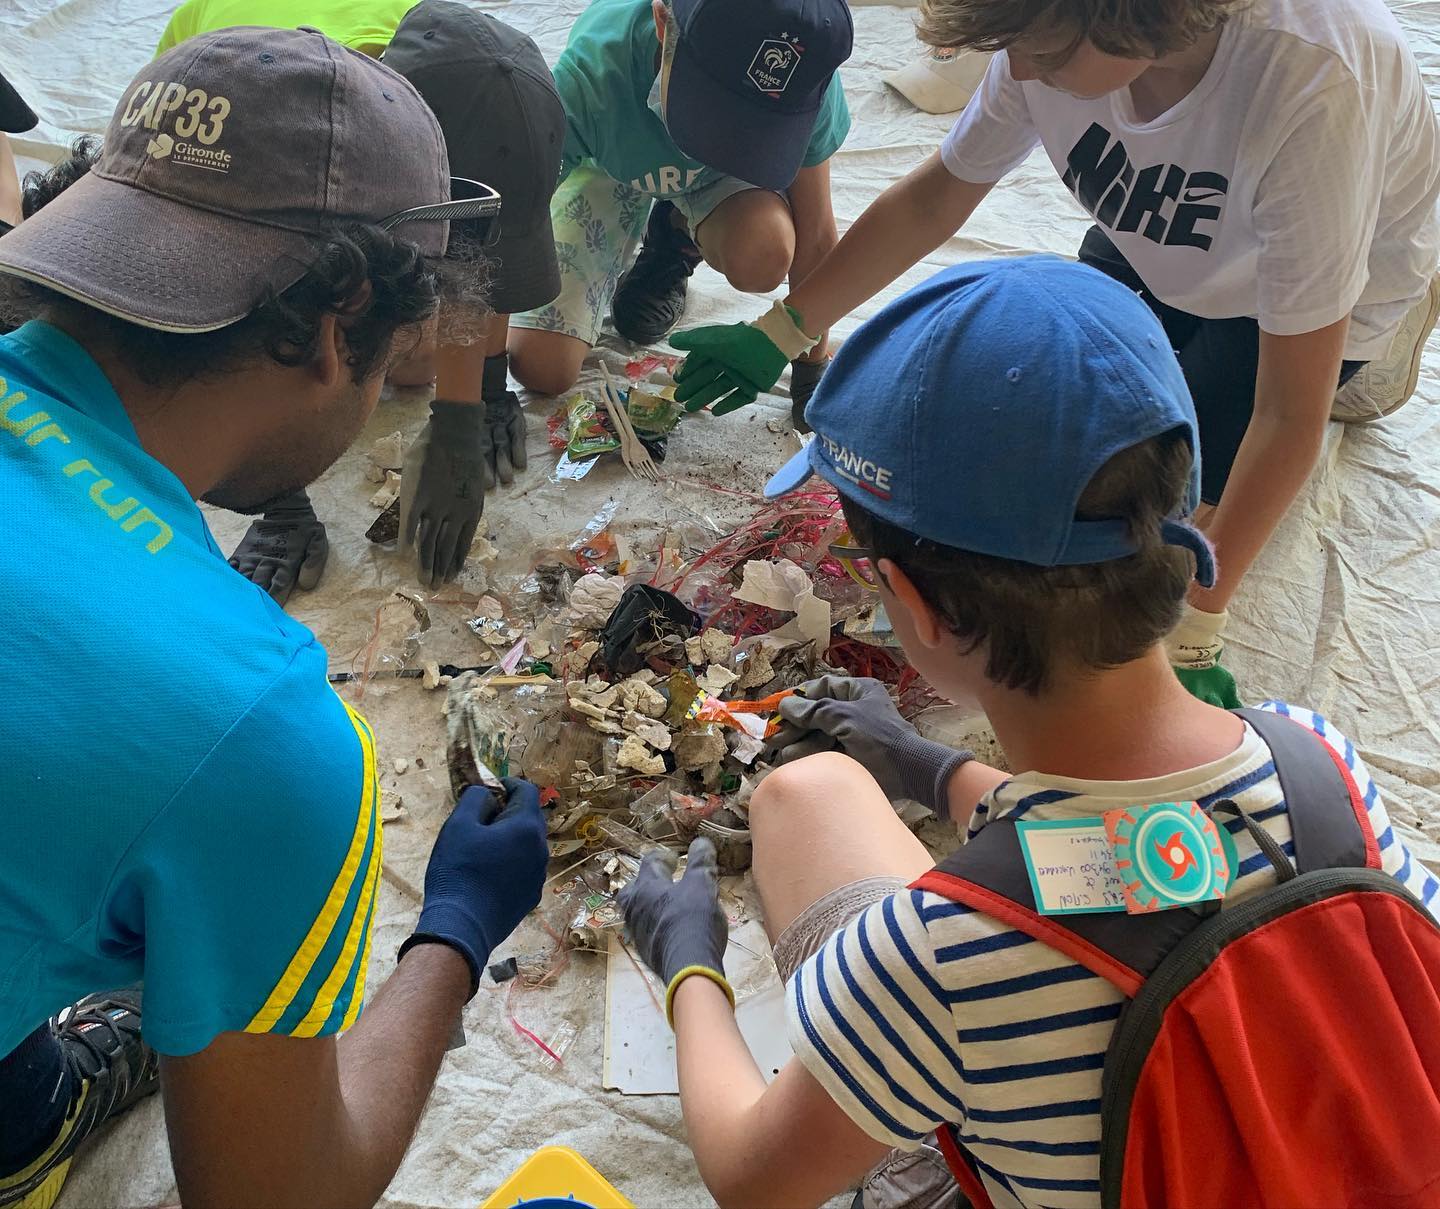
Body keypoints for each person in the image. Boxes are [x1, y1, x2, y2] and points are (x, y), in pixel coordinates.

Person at [618, 258, 1440, 1209]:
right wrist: (931, 769)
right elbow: (1161, 872)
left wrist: (689, 964)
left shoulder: (935, 955)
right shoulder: (1318, 761)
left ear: (917, 606)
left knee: (807, 820)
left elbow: (753, 1181)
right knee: (814, 790)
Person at [0, 30, 548, 1209]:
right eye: (399, 350)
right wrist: (452, 935)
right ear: (343, 319)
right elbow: (275, 1195)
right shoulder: (252, 722)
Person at [670, 0, 1440, 708]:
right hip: (1165, 230)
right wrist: (785, 325)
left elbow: (1288, 411)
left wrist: (1203, 615)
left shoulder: (1311, 86)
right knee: (1049, 416)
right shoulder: (1043, 35)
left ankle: (1378, 351)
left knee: (1151, 500)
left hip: (1314, 284)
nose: (1023, 71)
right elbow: (940, 193)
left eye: (1044, 52)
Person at [157, 0, 567, 592]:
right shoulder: (275, 134)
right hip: (197, 139)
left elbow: (480, 262)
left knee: (406, 360)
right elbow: (236, 312)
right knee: (325, 334)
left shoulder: (465, 63)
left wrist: (467, 404)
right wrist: (278, 494)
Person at [506, 0, 851, 423]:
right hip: (607, 160)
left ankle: (674, 236)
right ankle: (660, 217)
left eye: (748, 118)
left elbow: (816, 234)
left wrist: (808, 368)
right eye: (711, 110)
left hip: (716, 177)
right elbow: (514, 223)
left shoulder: (805, 72)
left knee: (764, 254)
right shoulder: (589, 79)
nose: (719, 134)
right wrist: (481, 388)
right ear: (661, 23)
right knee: (541, 367)